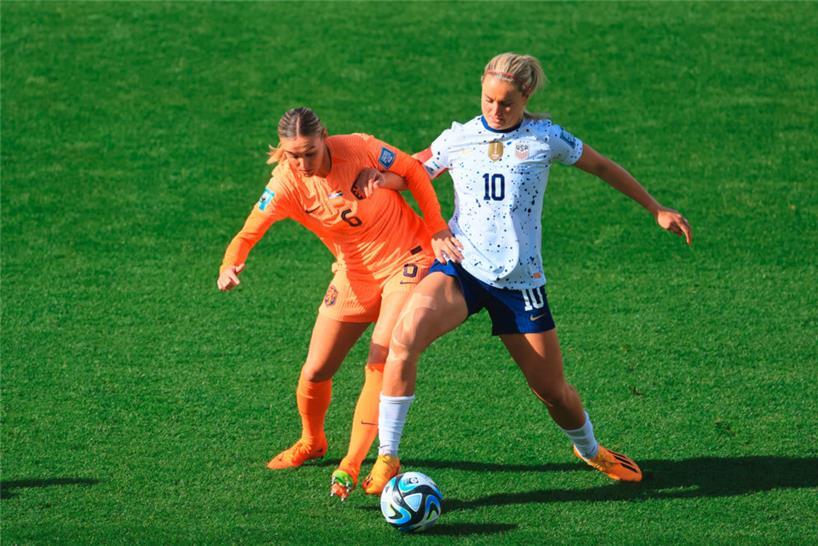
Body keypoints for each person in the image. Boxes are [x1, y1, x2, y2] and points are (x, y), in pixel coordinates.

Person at [358, 53, 693, 494]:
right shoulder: (458, 138)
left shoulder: (545, 138)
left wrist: (656, 208)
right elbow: (413, 172)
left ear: (526, 96)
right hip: (461, 268)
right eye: (489, 100)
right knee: (404, 339)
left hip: (520, 284)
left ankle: (591, 450)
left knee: (552, 392)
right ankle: (388, 456)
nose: (496, 111)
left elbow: (603, 166)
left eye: (507, 103)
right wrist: (378, 177)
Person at [217, 107, 461, 500]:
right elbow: (248, 233)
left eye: (309, 152)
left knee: (380, 357)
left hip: (408, 259)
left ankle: (351, 463)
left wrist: (436, 228)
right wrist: (231, 264)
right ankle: (312, 441)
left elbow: (415, 172)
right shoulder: (285, 184)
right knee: (315, 371)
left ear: (325, 138)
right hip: (353, 275)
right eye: (292, 154)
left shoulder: (361, 148)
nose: (301, 162)